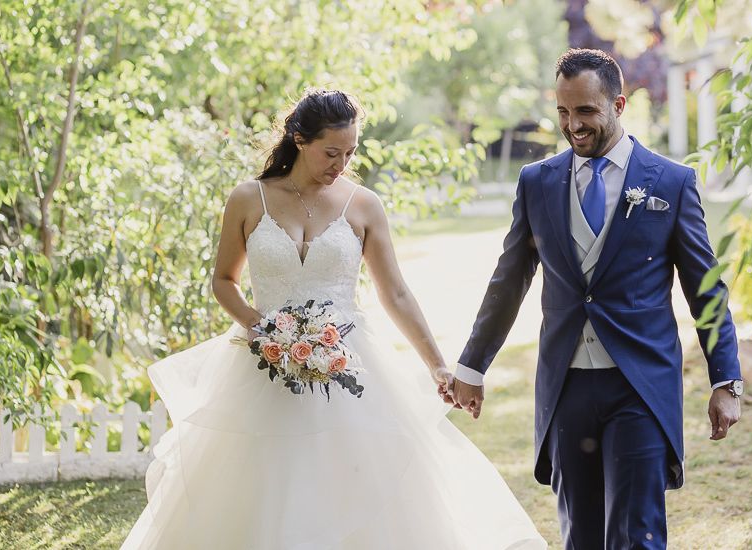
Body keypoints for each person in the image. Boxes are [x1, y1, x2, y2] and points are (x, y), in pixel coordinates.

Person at [121, 89, 547, 549]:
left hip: (350, 366)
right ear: (299, 140)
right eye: (331, 152)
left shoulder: (363, 206)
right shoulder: (248, 199)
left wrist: (437, 365)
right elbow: (224, 280)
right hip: (260, 367)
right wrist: (260, 328)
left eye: (350, 152)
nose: (341, 164)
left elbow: (396, 293)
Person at [450, 49, 743, 549]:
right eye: (563, 112)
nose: (573, 125)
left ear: (618, 103)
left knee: (636, 534)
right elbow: (510, 278)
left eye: (585, 111)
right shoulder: (537, 182)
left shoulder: (671, 183)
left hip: (640, 386)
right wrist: (472, 367)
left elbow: (705, 289)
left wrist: (726, 379)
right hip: (567, 388)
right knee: (580, 535)